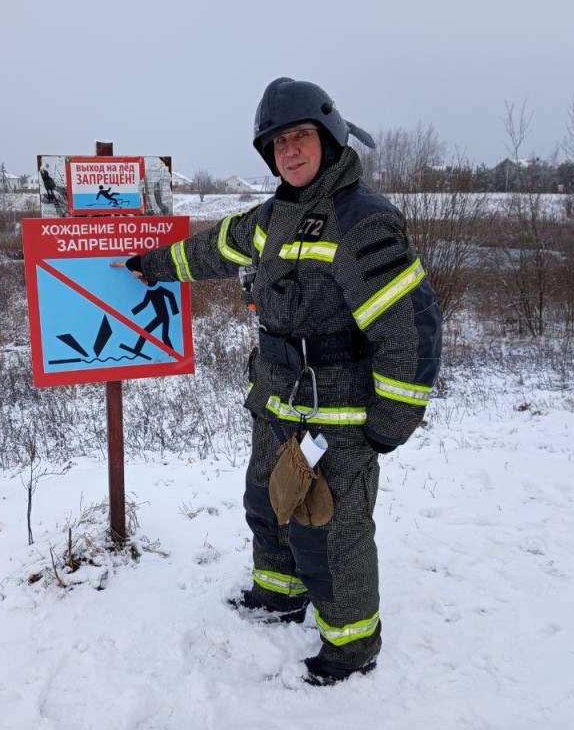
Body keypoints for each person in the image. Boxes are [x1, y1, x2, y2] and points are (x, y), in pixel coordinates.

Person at [114, 77, 442, 685]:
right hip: (277, 401)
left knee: (333, 534)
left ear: (329, 138)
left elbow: (408, 331)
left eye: (302, 137)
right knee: (268, 503)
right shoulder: (275, 216)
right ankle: (280, 594)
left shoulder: (362, 222)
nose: (290, 151)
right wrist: (153, 266)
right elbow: (217, 249)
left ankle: (350, 646)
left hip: (338, 417)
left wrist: (390, 424)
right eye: (278, 142)